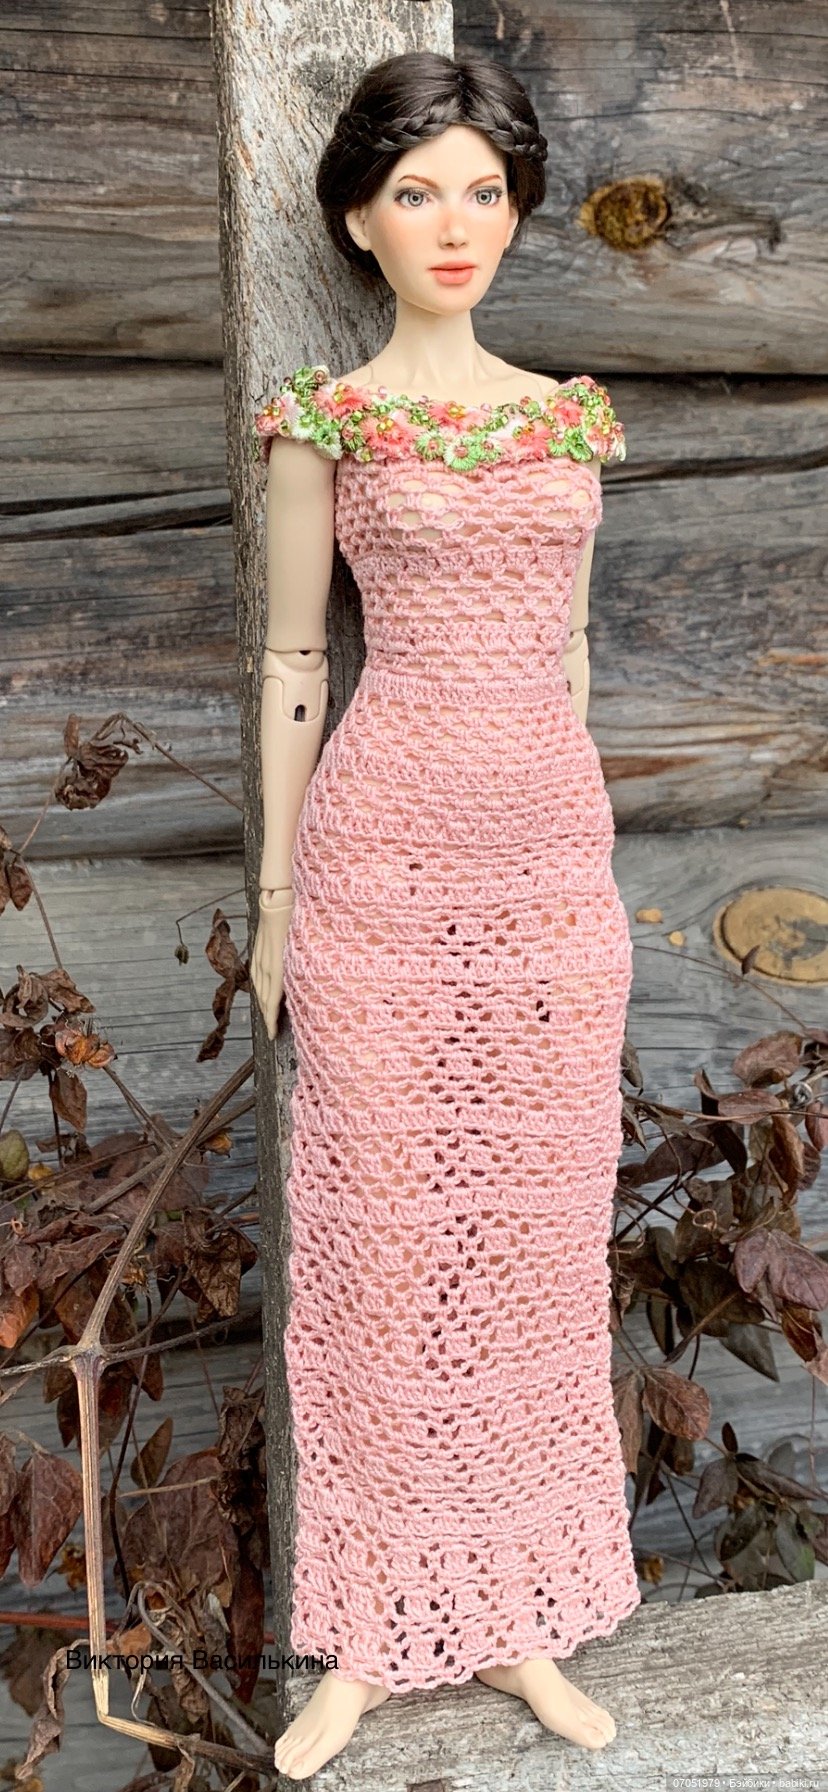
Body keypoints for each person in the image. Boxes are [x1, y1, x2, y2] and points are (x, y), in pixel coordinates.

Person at [249, 48, 637, 1780]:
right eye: (418, 192)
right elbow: (292, 659)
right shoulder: (327, 421)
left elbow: (571, 649)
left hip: (548, 870)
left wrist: (580, 862)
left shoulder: (568, 417)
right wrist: (277, 902)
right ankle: (368, 1630)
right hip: (382, 861)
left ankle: (521, 1610)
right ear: (361, 218)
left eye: (484, 190)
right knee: (386, 1235)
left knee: (537, 1245)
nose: (455, 224)